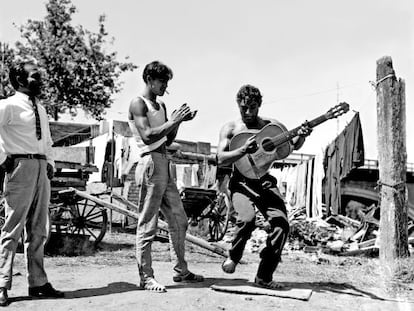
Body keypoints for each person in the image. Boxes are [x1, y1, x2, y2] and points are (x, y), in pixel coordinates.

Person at [217, 84, 312, 289]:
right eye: (244, 108)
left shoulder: (273, 127)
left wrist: (302, 135)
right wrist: (242, 150)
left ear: (259, 105)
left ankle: (264, 276)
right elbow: (221, 159)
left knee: (281, 224)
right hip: (240, 182)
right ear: (238, 105)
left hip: (264, 181)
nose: (248, 112)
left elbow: (289, 147)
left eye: (252, 107)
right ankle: (234, 255)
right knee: (246, 219)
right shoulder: (231, 129)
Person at [128, 61, 204, 292]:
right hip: (149, 161)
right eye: (162, 82)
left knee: (179, 219)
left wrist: (177, 123)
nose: (165, 87)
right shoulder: (137, 103)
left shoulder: (160, 105)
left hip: (164, 161)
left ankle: (181, 270)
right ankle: (146, 277)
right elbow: (149, 136)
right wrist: (173, 121)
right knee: (148, 222)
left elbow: (167, 140)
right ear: (150, 79)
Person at [0, 59, 63, 306]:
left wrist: (50, 163)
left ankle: (38, 282)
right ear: (19, 80)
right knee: (12, 228)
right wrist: (4, 159)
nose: (40, 80)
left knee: (39, 230)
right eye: (35, 76)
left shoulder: (41, 108)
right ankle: (2, 284)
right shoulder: (8, 106)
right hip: (20, 167)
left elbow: (46, 140)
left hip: (40, 167)